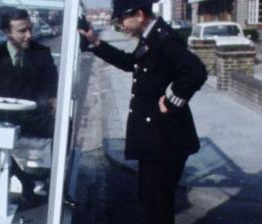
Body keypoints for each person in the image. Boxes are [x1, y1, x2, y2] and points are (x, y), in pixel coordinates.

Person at [78, 0, 207, 223]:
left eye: (122, 20)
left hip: (165, 140)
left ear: (138, 14)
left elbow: (196, 71)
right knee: (153, 202)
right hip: (155, 139)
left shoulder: (164, 40)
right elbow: (131, 63)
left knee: (156, 205)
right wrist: (96, 43)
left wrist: (172, 101)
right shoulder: (151, 37)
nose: (121, 25)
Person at [0, 9, 58, 206]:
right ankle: (25, 179)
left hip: (36, 119)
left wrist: (54, 100)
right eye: (22, 31)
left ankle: (56, 183)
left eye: (30, 29)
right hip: (3, 118)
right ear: (7, 33)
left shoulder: (42, 54)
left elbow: (54, 86)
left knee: (64, 131)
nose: (29, 35)